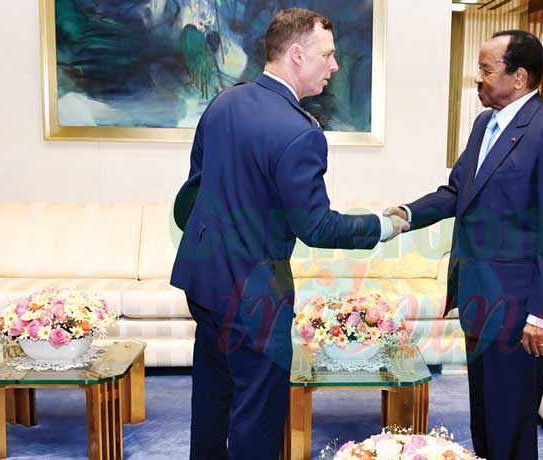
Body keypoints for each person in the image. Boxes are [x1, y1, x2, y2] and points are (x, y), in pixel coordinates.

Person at [170, 8, 408, 459]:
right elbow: (316, 225)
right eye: (328, 55)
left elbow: (194, 189)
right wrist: (380, 226)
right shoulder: (301, 133)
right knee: (258, 416)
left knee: (213, 400)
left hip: (203, 280)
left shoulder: (223, 103)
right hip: (254, 294)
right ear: (297, 55)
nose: (334, 65)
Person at [385, 30, 543, 460]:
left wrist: (542, 315)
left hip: (520, 312)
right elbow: (458, 191)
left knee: (511, 427)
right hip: (479, 301)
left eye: (485, 70)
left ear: (519, 77)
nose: (477, 79)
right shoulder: (484, 125)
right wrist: (405, 214)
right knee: (485, 420)